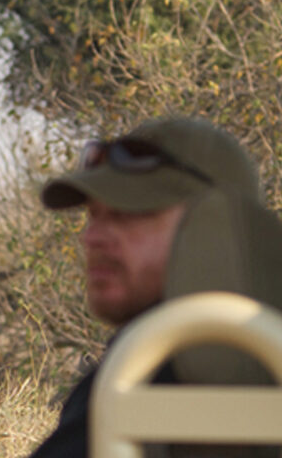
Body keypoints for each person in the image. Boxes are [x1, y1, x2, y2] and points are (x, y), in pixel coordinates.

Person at [29, 116, 269, 458]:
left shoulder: (158, 364)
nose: (92, 237)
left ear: (214, 225)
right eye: (94, 215)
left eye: (128, 215)